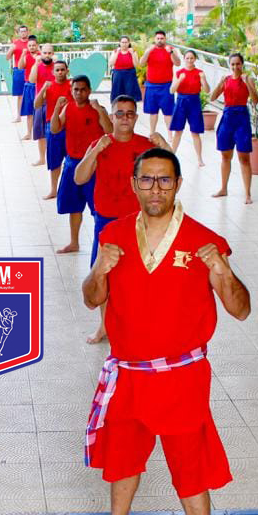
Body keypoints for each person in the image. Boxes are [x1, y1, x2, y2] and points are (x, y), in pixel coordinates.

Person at [80, 147, 250, 515]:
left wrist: (222, 273)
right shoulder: (114, 234)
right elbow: (92, 298)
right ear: (134, 185)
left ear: (177, 184)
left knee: (189, 467)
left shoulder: (203, 240)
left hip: (180, 377)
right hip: (129, 374)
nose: (156, 189)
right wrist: (100, 268)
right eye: (147, 180)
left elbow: (241, 310)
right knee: (123, 458)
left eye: (165, 180)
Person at [76, 96, 170, 344]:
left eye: (130, 114)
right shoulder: (101, 145)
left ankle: (142, 323)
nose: (125, 118)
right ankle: (104, 326)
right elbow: (79, 177)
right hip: (106, 221)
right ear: (112, 116)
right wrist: (95, 151)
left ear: (136, 117)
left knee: (141, 275)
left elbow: (173, 174)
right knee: (103, 276)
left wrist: (166, 146)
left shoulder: (146, 146)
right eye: (120, 113)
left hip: (139, 222)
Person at [51, 75, 112, 255]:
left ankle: (101, 245)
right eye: (76, 89)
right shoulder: (68, 108)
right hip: (72, 163)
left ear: (89, 90)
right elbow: (55, 129)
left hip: (94, 164)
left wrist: (99, 111)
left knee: (98, 208)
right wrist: (56, 109)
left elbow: (110, 131)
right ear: (71, 91)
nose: (79, 93)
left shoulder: (97, 109)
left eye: (83, 89)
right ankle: (74, 242)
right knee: (73, 206)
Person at [210, 53, 258, 203]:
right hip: (227, 116)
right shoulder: (226, 79)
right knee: (225, 155)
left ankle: (248, 194)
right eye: (232, 64)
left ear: (242, 64)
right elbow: (212, 97)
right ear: (229, 65)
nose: (235, 67)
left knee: (244, 157)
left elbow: (255, 99)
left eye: (238, 64)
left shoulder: (247, 79)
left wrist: (248, 83)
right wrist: (220, 84)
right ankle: (223, 188)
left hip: (241, 117)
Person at [34, 59, 72, 199]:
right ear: (53, 72)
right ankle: (53, 189)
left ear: (67, 71)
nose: (60, 72)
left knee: (72, 160)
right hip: (53, 126)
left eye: (63, 69)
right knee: (54, 160)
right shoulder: (49, 86)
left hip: (71, 126)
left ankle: (69, 189)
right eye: (57, 70)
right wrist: (43, 88)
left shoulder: (73, 86)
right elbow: (37, 104)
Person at [169, 50, 210, 167]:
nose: (189, 60)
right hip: (181, 101)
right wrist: (179, 80)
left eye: (192, 58)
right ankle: (172, 155)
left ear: (195, 59)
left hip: (194, 102)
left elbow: (207, 90)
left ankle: (199, 158)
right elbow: (172, 90)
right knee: (178, 131)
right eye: (187, 58)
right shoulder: (179, 73)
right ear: (184, 59)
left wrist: (203, 80)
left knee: (195, 132)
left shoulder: (200, 73)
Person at [140, 30, 181, 136]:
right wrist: (147, 52)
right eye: (158, 38)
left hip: (166, 86)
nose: (160, 40)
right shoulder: (150, 50)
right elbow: (141, 63)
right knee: (153, 112)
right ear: (155, 39)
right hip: (151, 85)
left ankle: (169, 135)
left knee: (168, 112)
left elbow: (178, 63)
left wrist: (171, 53)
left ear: (165, 39)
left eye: (162, 38)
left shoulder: (171, 50)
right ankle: (152, 133)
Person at [28, 42, 55, 167]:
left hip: (54, 103)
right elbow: (32, 80)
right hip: (41, 102)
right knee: (40, 132)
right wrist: (35, 64)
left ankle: (54, 156)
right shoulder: (37, 66)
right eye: (45, 53)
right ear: (41, 53)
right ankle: (42, 158)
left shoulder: (57, 67)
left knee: (55, 132)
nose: (47, 55)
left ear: (53, 54)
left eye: (49, 53)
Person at [6, 25, 31, 123]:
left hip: (30, 70)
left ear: (27, 32)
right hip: (19, 70)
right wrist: (12, 49)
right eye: (21, 31)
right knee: (20, 95)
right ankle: (19, 116)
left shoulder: (32, 43)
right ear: (18, 33)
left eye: (25, 31)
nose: (23, 33)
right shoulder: (15, 43)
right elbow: (7, 57)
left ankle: (32, 114)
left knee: (32, 93)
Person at [18, 36, 41, 140]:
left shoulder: (41, 56)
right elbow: (20, 67)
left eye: (34, 45)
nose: (32, 47)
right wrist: (23, 54)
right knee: (29, 112)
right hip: (28, 85)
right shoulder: (26, 56)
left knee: (40, 111)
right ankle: (29, 133)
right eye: (30, 46)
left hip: (39, 85)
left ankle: (40, 132)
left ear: (37, 46)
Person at [109, 36, 142, 104]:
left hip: (130, 74)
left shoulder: (133, 51)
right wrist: (117, 53)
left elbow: (136, 65)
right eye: (122, 42)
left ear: (128, 43)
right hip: (118, 74)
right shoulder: (115, 51)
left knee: (130, 93)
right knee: (117, 92)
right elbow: (111, 63)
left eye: (126, 42)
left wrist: (132, 53)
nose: (124, 44)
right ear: (120, 43)